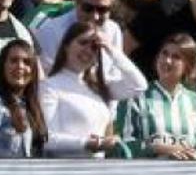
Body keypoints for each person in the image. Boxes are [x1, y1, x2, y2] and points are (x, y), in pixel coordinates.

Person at [41, 20, 148, 157]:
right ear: (66, 46)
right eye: (83, 42)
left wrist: (111, 49)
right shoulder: (49, 86)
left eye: (94, 47)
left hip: (97, 171)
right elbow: (45, 139)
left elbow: (139, 86)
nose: (88, 50)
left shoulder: (98, 87)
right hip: (65, 172)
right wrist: (88, 143)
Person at [115, 32, 196, 160]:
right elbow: (123, 146)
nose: (167, 61)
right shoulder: (135, 98)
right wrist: (155, 147)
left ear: (187, 66)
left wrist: (195, 156)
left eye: (176, 57)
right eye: (164, 53)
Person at [0, 38, 47, 158]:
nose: (20, 66)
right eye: (13, 61)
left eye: (27, 62)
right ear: (2, 66)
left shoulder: (34, 106)